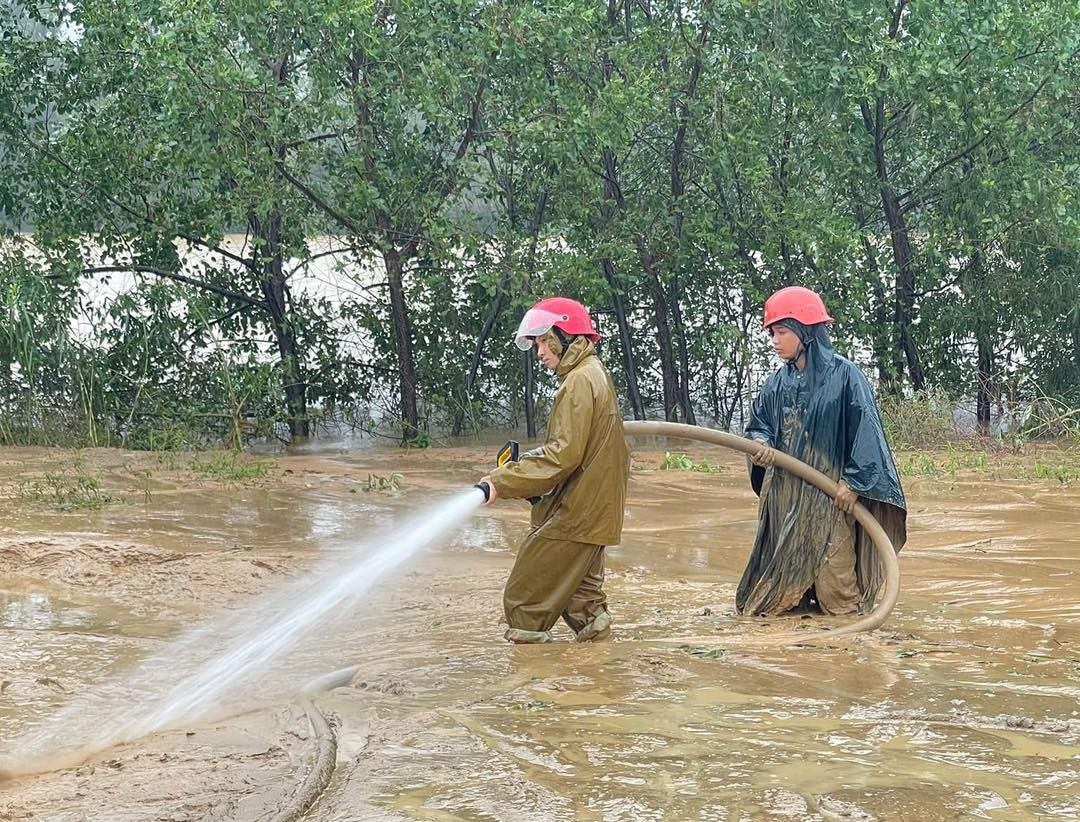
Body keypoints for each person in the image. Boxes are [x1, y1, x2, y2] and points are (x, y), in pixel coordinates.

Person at [739, 286, 907, 617]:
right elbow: (758, 425)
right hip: (786, 501)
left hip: (831, 502)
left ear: (805, 331)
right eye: (772, 332)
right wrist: (759, 444)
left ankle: (847, 650)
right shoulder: (777, 383)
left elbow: (867, 432)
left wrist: (854, 483)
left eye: (782, 331)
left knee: (838, 595)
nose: (774, 339)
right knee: (775, 601)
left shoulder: (846, 376)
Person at [477, 297, 630, 644]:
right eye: (537, 343)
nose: (540, 352)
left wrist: (502, 481)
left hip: (576, 514)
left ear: (567, 336)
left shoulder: (579, 381)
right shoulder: (595, 374)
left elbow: (562, 456)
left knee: (525, 601)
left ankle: (533, 688)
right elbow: (578, 450)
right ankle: (604, 679)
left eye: (545, 341)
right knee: (583, 602)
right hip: (596, 513)